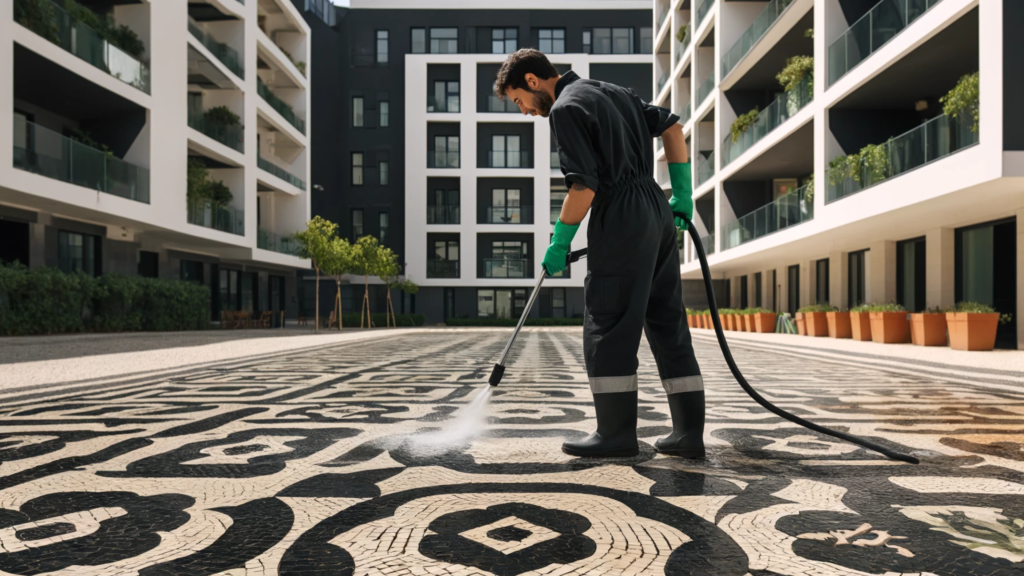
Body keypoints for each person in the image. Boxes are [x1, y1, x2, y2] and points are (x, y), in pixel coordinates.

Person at [494, 49, 704, 459]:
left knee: (607, 323)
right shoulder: (613, 91)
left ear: (534, 81)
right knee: (667, 321)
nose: (523, 112)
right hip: (656, 210)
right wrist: (681, 193)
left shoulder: (566, 109)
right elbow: (673, 129)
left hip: (621, 215)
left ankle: (616, 434)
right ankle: (688, 433)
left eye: (519, 101)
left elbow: (583, 187)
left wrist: (559, 242)